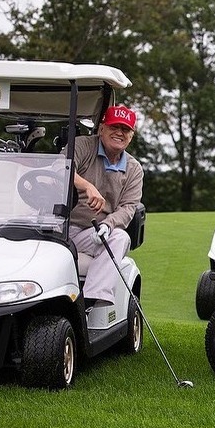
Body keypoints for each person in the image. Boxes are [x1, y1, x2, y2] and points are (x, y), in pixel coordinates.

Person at [66, 105, 144, 310]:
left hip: (93, 233)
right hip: (59, 228)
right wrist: (87, 185)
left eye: (125, 129)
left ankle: (90, 301)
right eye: (114, 126)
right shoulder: (82, 146)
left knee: (121, 238)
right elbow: (62, 168)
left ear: (131, 136)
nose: (119, 132)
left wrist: (108, 225)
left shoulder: (134, 169)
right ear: (101, 128)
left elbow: (128, 207)